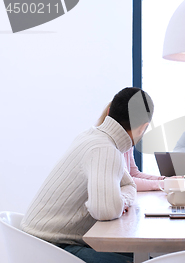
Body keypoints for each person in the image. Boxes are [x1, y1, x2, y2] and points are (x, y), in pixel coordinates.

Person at [21, 87, 154, 263]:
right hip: (50, 247)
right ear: (142, 128)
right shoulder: (105, 150)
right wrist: (118, 201)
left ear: (109, 111)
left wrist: (119, 199)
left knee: (143, 255)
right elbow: (106, 210)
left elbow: (129, 185)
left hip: (28, 241)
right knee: (141, 258)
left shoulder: (91, 137)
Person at [97, 102, 163, 191]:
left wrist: (164, 180)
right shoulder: (106, 145)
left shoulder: (127, 141)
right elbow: (124, 181)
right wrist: (163, 184)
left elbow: (133, 173)